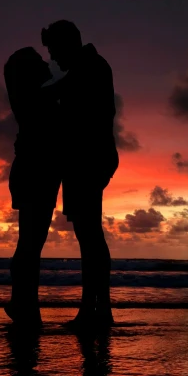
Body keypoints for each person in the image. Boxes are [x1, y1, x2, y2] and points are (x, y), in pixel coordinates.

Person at [41, 20, 118, 330]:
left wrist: (29, 88)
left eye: (54, 51)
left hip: (87, 161)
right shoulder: (87, 67)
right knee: (90, 236)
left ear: (68, 44)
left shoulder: (89, 68)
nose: (54, 60)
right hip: (87, 161)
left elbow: (53, 94)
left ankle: (93, 310)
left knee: (90, 237)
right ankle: (100, 309)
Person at [4, 47, 61, 327]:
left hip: (35, 173)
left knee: (30, 243)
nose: (46, 63)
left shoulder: (34, 97)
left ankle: (25, 303)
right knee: (30, 243)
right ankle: (24, 304)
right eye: (39, 62)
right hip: (35, 174)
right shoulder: (37, 98)